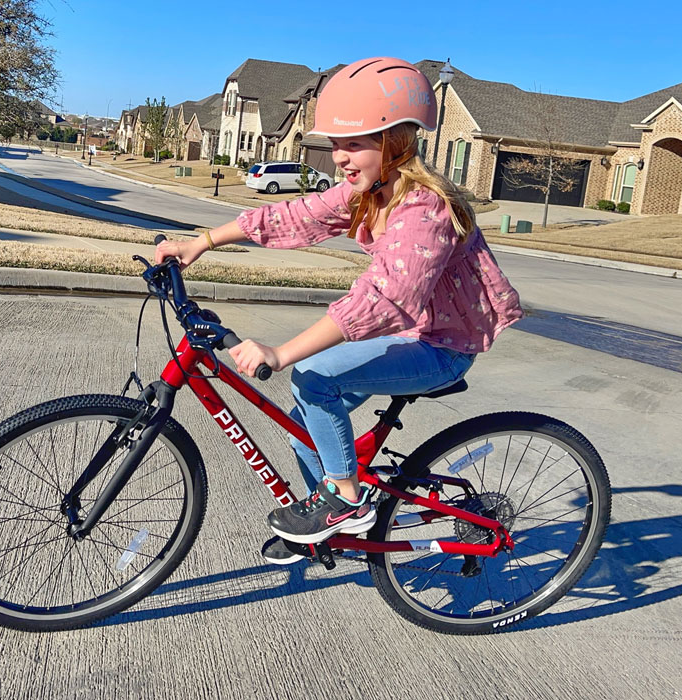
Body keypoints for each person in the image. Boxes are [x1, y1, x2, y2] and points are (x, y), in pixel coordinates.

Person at [155, 57, 523, 565]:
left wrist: (282, 353)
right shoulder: (366, 191)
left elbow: (385, 299)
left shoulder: (427, 208)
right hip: (411, 336)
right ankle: (327, 518)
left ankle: (346, 501)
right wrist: (202, 241)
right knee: (308, 423)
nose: (340, 158)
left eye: (353, 144)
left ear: (395, 141)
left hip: (441, 346)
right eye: (335, 145)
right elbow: (295, 216)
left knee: (312, 375)